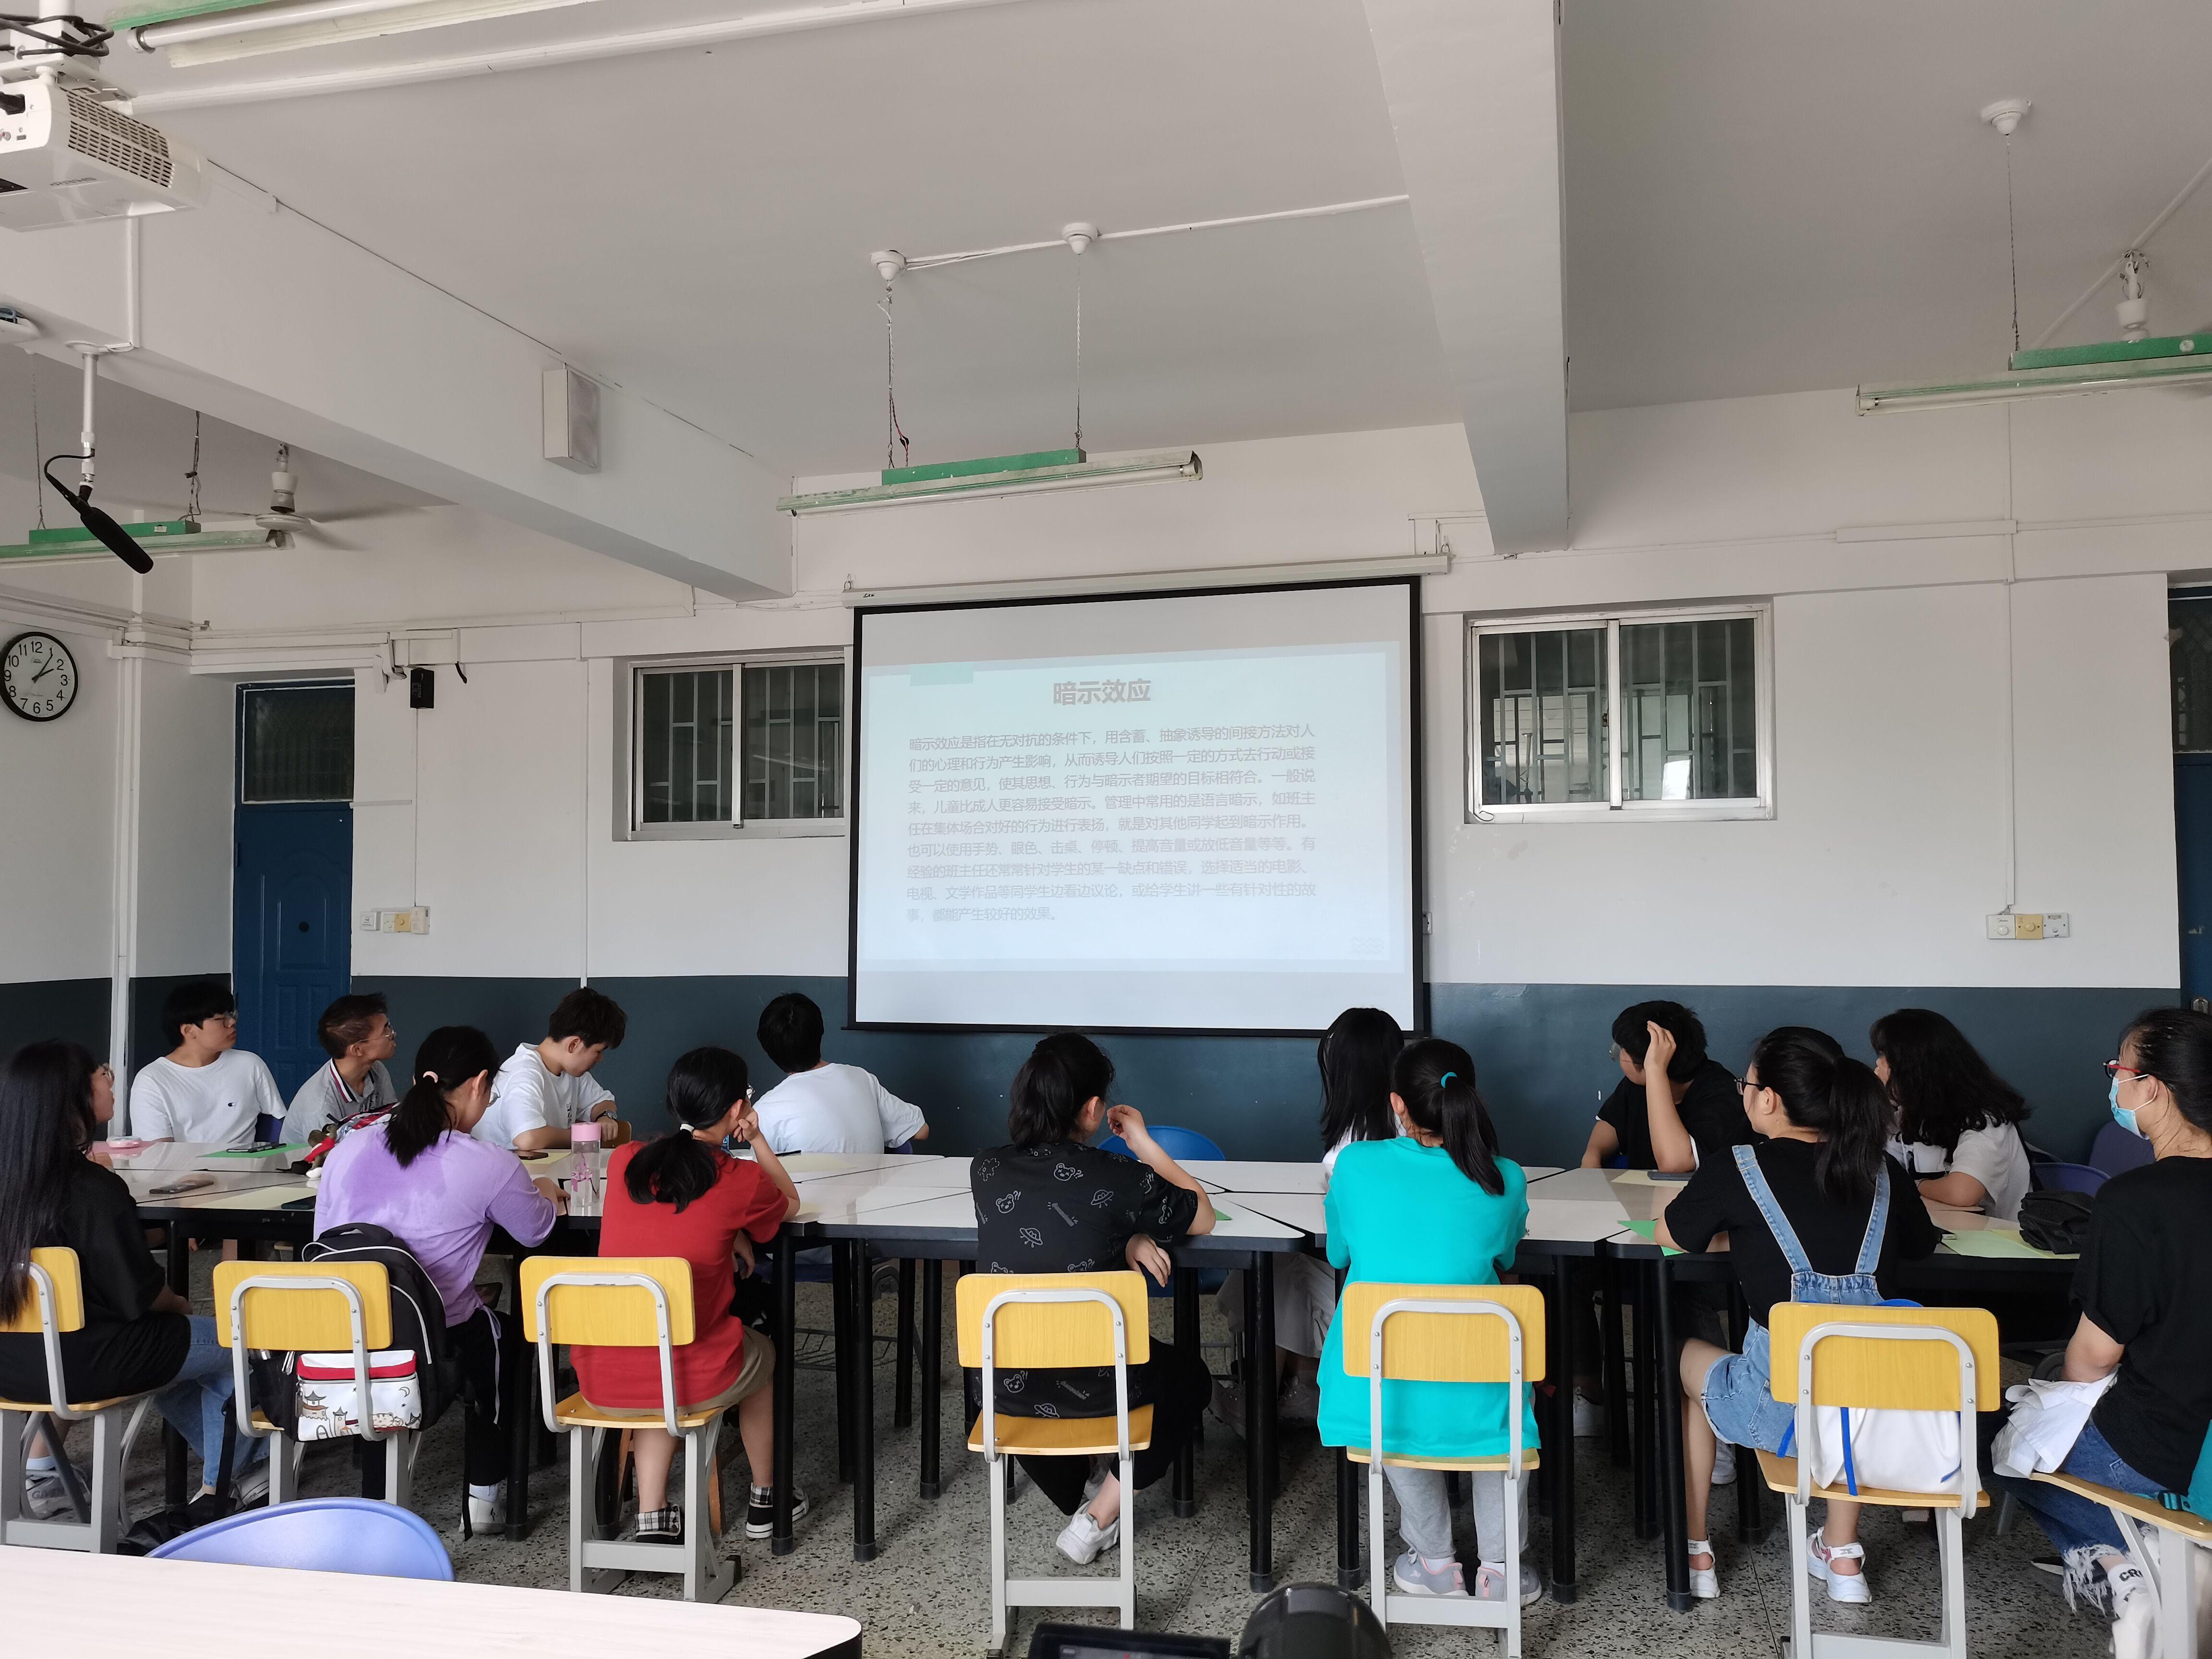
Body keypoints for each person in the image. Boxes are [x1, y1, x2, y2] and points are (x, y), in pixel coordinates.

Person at [1657, 1026, 1941, 1604]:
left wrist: (1741, 1236)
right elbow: (1919, 1245)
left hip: (1777, 1414)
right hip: (1878, 1418)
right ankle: (1842, 1553)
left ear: (1769, 1099)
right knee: (1849, 1377)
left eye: (1747, 1086)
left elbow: (1673, 1234)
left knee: (1681, 1356)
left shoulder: (1739, 1167)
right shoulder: (1882, 1172)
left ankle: (1696, 1549)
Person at [1996, 1007, 2212, 1659]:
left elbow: (2091, 1360)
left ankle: (2128, 1569)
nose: (2114, 1083)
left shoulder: (2135, 1202)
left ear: (2154, 1089)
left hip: (2163, 1447)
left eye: (2119, 1069)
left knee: (2008, 1451)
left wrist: (2054, 1408)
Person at [968, 1032, 1217, 1565]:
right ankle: (1099, 1517)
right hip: (1103, 1387)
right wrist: (1142, 1142)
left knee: (1064, 1358)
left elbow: (1050, 1236)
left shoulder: (985, 1170)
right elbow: (1202, 1215)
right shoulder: (1118, 1175)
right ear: (1093, 1109)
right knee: (1191, 1379)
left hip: (1004, 1389)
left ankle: (1080, 1474)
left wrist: (1124, 1239)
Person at [0, 1040, 267, 1516]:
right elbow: (140, 1296)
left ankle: (42, 1473)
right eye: (101, 1073)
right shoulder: (92, 1189)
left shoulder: (13, 1185)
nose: (110, 1080)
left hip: (13, 1363)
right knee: (237, 1343)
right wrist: (180, 1305)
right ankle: (227, 1485)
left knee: (184, 1359)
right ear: (75, 1095)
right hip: (92, 1361)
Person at [1316, 1037, 1540, 1604]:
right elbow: (1505, 1257)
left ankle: (1436, 1562)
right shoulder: (1505, 1177)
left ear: (1397, 1104)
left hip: (1377, 1379)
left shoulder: (1354, 1166)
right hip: (1478, 1376)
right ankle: (1500, 1572)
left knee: (1393, 1407)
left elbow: (1339, 1255)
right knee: (1501, 1418)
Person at [315, 1025, 562, 1526]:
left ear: (415, 1081)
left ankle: (377, 1499)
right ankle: (484, 1498)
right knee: (507, 1338)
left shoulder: (347, 1150)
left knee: (402, 1329)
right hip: (433, 1338)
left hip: (343, 1329)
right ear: (479, 1084)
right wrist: (544, 1191)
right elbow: (535, 1232)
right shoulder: (488, 1163)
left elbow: (325, 1238)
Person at [572, 1046, 806, 1544]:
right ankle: (767, 1496)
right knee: (761, 1354)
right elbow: (790, 1202)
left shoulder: (628, 1160)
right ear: (737, 1109)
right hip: (687, 1371)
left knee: (656, 1347)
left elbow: (670, 1221)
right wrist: (757, 1138)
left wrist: (730, 1233)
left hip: (600, 1371)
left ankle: (653, 1515)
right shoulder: (740, 1180)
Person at [1216, 1007, 1402, 1434]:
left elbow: (1342, 1248)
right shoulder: (1404, 1123)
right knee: (1290, 1266)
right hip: (1411, 1288)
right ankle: (1301, 1384)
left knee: (1278, 1268)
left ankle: (1261, 1400)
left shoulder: (1352, 1149)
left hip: (1377, 1300)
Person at [1871, 1009, 2032, 1222]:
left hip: (2000, 1238)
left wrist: (1918, 1186)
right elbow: (1873, 1169)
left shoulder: (1986, 1121)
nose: (1878, 1066)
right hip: (1939, 1231)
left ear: (1916, 1070)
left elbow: (1962, 1192)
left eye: (1886, 1058)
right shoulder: (1909, 1112)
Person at [1582, 1000, 1751, 1173]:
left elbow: (1674, 1164)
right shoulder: (1636, 1085)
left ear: (1649, 1061)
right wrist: (1592, 1155)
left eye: (1621, 1051)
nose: (1618, 1054)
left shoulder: (1723, 1095)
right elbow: (1611, 1124)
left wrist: (1656, 1070)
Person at [750, 991, 927, 1154]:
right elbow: (921, 1131)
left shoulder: (765, 1110)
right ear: (821, 1033)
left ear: (769, 1050)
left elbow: (759, 1171)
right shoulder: (862, 1078)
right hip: (877, 1179)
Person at [127, 981, 284, 1149]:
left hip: (247, 1164)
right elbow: (158, 1153)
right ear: (189, 1031)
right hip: (183, 1166)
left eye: (231, 1015)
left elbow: (280, 1123)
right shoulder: (152, 1080)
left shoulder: (250, 1065)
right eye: (221, 1019)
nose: (232, 1022)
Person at [473, 986, 626, 1152]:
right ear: (574, 1045)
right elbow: (528, 1138)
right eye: (598, 1051)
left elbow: (603, 1102)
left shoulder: (571, 1071)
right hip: (504, 1167)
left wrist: (605, 1116)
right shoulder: (524, 1073)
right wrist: (584, 1135)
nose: (600, 1059)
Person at [282, 993, 399, 1146]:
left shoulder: (376, 1069)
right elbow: (330, 1158)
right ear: (357, 1050)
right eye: (386, 1030)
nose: (393, 1034)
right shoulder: (321, 1107)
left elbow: (392, 1123)